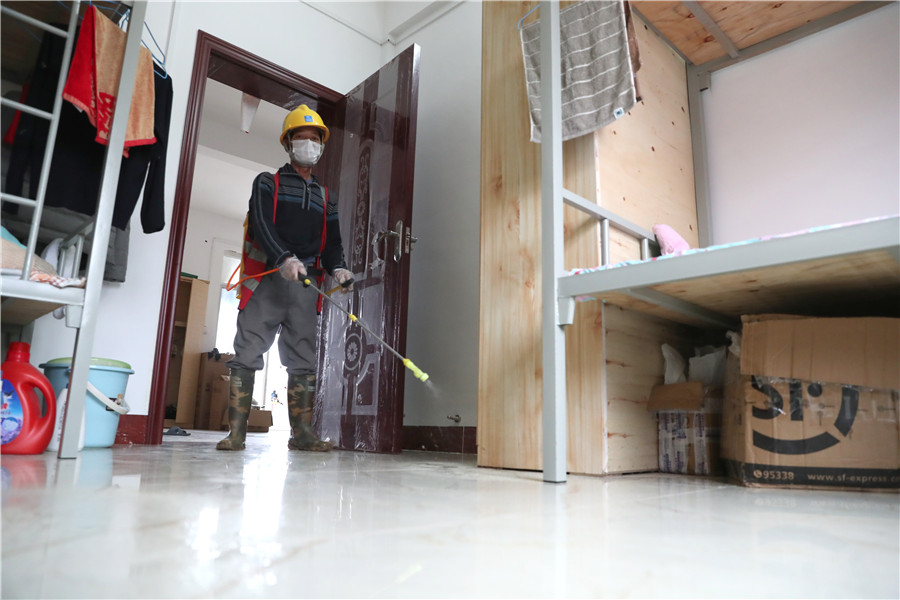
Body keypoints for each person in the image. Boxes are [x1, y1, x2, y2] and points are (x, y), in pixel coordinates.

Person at [218, 105, 353, 452]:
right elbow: (262, 225)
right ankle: (236, 433)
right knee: (247, 351)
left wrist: (338, 267)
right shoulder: (268, 182)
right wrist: (283, 258)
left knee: (303, 358)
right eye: (301, 138)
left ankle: (302, 434)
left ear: (321, 146)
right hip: (268, 278)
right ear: (288, 143)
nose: (309, 144)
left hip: (307, 284)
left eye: (314, 139)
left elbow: (332, 243)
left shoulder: (327, 197)